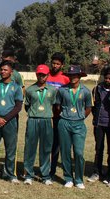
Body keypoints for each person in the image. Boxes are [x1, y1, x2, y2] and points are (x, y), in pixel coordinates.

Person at [55, 65, 92, 189]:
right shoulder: (62, 90)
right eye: (70, 75)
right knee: (65, 151)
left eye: (75, 75)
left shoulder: (86, 91)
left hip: (79, 124)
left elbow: (88, 108)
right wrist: (65, 115)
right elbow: (58, 106)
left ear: (80, 76)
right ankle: (68, 178)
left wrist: (80, 116)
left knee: (78, 152)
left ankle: (79, 179)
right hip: (64, 122)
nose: (73, 77)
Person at [22, 65, 58, 185]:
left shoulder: (53, 90)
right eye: (39, 74)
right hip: (33, 120)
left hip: (47, 120)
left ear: (48, 75)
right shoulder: (30, 90)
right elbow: (27, 106)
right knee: (30, 148)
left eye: (44, 75)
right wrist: (35, 113)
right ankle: (29, 174)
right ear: (36, 75)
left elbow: (54, 105)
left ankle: (45, 175)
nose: (41, 77)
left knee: (46, 148)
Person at [89, 67, 110, 183]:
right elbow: (93, 106)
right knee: (99, 148)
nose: (108, 80)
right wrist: (96, 118)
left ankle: (109, 172)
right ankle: (96, 172)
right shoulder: (97, 89)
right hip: (99, 124)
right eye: (106, 78)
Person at [46, 52, 70, 180]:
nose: (55, 66)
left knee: (56, 144)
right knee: (46, 143)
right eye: (53, 63)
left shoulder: (65, 78)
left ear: (62, 65)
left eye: (58, 64)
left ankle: (52, 170)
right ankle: (44, 168)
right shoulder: (46, 75)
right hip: (45, 114)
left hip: (59, 116)